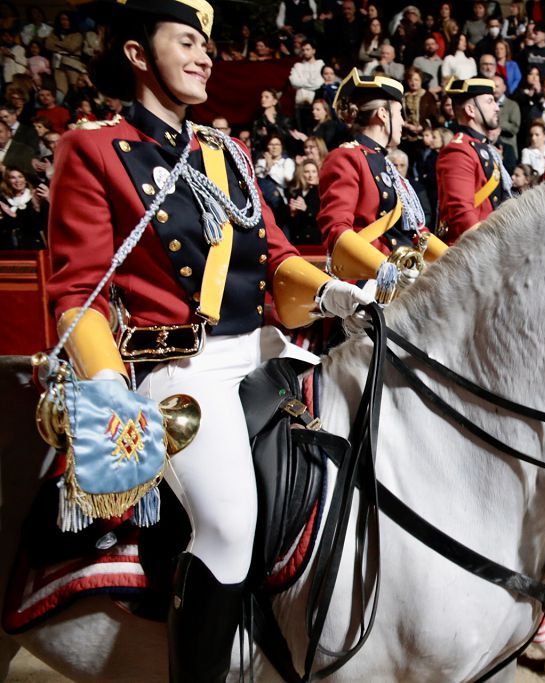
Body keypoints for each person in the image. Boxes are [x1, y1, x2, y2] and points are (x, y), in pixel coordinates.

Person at [46, 3, 375, 680]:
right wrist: (107, 382)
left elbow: (278, 253)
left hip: (261, 349)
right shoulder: (94, 149)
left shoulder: (227, 152)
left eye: (208, 45)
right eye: (187, 42)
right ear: (140, 55)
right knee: (226, 525)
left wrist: (333, 291)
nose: (205, 56)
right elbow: (78, 290)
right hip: (177, 369)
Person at [318, 70, 446, 284]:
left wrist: (455, 262)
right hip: (368, 283)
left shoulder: (389, 166)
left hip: (404, 278)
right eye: (399, 113)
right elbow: (337, 231)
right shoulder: (346, 157)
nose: (404, 122)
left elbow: (417, 232)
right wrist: (384, 271)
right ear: (383, 115)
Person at [435, 77, 511, 243]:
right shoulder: (458, 151)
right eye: (490, 101)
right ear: (470, 110)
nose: (496, 108)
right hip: (472, 253)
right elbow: (462, 215)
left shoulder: (482, 147)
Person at [0, 166, 47, 248]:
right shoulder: (4, 200)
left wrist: (37, 207)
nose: (17, 181)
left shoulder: (35, 196)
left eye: (20, 177)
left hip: (33, 246)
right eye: (13, 178)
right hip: (9, 248)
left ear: (25, 179)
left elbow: (40, 224)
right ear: (8, 181)